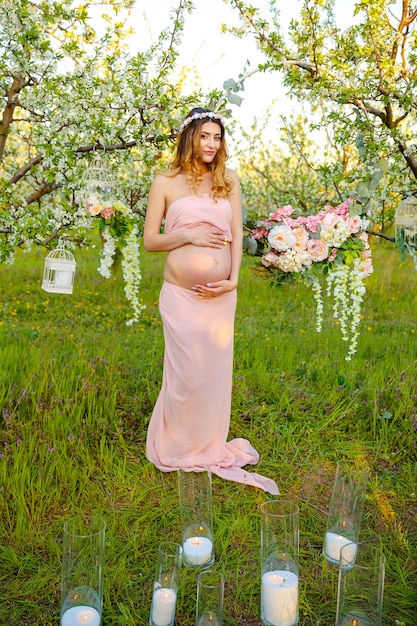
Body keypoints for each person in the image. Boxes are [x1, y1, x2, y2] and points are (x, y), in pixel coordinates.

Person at [143, 107, 278, 495]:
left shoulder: (228, 180)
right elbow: (151, 241)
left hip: (220, 297)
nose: (211, 144)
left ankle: (206, 444)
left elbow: (236, 234)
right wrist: (189, 237)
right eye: (205, 136)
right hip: (181, 295)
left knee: (213, 375)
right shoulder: (165, 181)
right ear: (189, 138)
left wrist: (232, 282)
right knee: (186, 374)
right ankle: (178, 446)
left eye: (217, 137)